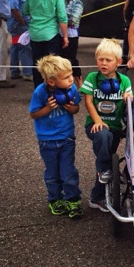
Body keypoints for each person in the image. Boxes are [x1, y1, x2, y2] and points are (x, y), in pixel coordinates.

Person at [80, 38, 133, 212]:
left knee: (109, 160)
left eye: (108, 60)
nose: (103, 63)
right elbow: (88, 101)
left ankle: (97, 198)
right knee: (104, 156)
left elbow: (130, 102)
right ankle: (103, 170)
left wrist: (128, 98)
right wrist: (97, 120)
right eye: (100, 59)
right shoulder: (92, 78)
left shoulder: (124, 80)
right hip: (96, 125)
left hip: (116, 127)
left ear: (118, 62)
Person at [29, 54, 83, 219]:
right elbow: (33, 114)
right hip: (47, 141)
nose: (71, 79)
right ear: (51, 82)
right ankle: (55, 199)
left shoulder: (71, 89)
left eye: (71, 75)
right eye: (66, 77)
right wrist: (47, 108)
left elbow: (76, 108)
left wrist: (71, 108)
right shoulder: (40, 92)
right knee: (52, 174)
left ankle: (72, 200)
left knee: (68, 172)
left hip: (67, 138)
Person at [22, 0, 68, 87]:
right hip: (51, 33)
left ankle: (38, 90)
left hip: (35, 33)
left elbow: (25, 11)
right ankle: (53, 88)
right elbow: (62, 17)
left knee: (37, 63)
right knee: (53, 64)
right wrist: (65, 36)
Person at [6, 0, 33, 81]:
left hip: (14, 24)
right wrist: (22, 22)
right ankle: (27, 72)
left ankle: (15, 71)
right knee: (25, 47)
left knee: (15, 46)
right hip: (18, 24)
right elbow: (14, 9)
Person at [61, 0, 83, 89]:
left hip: (72, 35)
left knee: (72, 60)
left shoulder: (78, 3)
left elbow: (73, 20)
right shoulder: (62, 1)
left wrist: (60, 19)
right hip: (60, 34)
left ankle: (80, 84)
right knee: (61, 60)